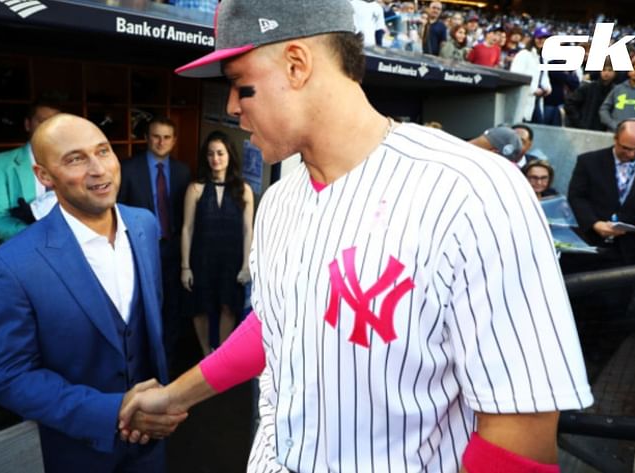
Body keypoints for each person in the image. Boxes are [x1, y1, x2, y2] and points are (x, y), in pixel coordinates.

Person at [119, 1, 593, 472]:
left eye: (241, 85)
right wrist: (175, 395)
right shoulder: (280, 200)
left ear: (297, 64)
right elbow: (275, 324)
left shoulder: (472, 189)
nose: (230, 107)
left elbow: (518, 435)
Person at [0, 114, 187, 473]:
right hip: (79, 451)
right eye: (75, 159)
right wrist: (112, 411)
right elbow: (8, 376)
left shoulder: (143, 225)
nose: (98, 169)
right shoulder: (10, 266)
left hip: (151, 445)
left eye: (103, 152)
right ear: (44, 176)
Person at [118, 117, 191, 370]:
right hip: (141, 249)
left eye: (167, 137)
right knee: (142, 302)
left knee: (171, 304)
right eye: (156, 136)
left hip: (172, 248)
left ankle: (167, 362)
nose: (161, 142)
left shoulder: (183, 172)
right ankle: (143, 359)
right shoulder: (128, 169)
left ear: (174, 141)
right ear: (147, 138)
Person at [180, 132, 254, 356]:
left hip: (231, 260)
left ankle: (222, 356)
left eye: (220, 153)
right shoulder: (195, 189)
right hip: (202, 259)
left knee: (228, 306)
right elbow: (187, 228)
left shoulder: (244, 190)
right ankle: (206, 354)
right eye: (211, 154)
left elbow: (248, 230)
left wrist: (246, 265)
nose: (215, 158)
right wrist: (185, 267)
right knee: (200, 308)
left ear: (229, 155)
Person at [567, 118, 635, 267]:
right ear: (615, 138)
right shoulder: (589, 161)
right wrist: (594, 223)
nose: (630, 154)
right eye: (626, 148)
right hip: (590, 245)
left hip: (631, 251)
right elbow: (577, 196)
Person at [0, 99, 61, 242]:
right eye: (43, 121)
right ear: (28, 124)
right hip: (25, 249)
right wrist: (42, 234)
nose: (50, 129)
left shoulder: (75, 162)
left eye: (57, 124)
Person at [598, 55, 635, 132]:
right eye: (634, 68)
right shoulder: (617, 89)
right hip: (615, 131)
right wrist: (612, 123)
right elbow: (604, 109)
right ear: (628, 72)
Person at [510, 26, 552, 124]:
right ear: (534, 39)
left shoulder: (543, 58)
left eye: (545, 38)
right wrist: (533, 90)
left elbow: (544, 77)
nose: (542, 41)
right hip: (525, 99)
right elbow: (515, 76)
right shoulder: (524, 54)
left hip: (537, 99)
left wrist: (547, 88)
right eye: (539, 38)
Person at [565, 59, 617, 131]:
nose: (606, 73)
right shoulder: (588, 88)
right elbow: (570, 104)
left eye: (610, 70)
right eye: (603, 70)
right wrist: (579, 122)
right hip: (586, 129)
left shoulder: (617, 91)